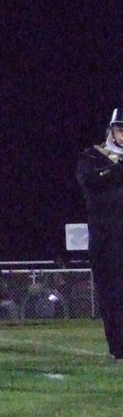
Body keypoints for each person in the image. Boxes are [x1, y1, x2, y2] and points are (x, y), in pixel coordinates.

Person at [76, 110, 123, 359]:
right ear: (110, 131)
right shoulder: (92, 157)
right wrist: (117, 169)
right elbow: (91, 183)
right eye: (120, 129)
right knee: (113, 293)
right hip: (108, 238)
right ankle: (118, 346)